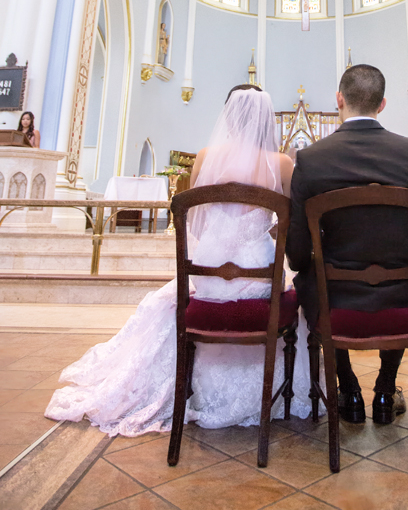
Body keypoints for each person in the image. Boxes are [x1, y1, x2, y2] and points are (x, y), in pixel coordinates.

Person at [45, 84, 314, 436]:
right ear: (266, 120)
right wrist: (260, 236)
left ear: (228, 116)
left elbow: (197, 224)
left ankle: (189, 388)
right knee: (299, 301)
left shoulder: (205, 157)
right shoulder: (281, 164)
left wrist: (223, 243)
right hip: (259, 280)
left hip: (208, 276)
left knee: (170, 301)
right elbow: (289, 225)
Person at [286, 64, 408, 426]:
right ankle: (386, 389)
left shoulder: (311, 159)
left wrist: (309, 261)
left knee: (313, 277)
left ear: (339, 100)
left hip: (337, 296)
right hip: (402, 293)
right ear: (382, 104)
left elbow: (295, 250)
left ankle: (349, 388)